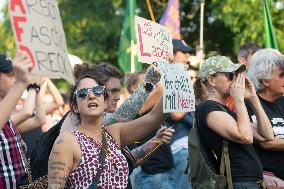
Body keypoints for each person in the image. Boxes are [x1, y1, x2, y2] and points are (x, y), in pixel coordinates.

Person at [48, 70, 167, 188]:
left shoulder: (112, 133)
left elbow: (153, 118)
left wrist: (173, 85)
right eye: (83, 93)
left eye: (98, 91)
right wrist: (150, 80)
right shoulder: (67, 140)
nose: (91, 95)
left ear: (105, 102)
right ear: (75, 107)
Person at [193, 55, 274, 189]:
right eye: (231, 75)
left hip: (250, 182)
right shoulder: (207, 108)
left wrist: (253, 98)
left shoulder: (225, 110)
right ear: (212, 79)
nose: (236, 80)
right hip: (238, 182)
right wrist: (239, 100)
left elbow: (267, 136)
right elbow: (246, 137)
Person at [246, 48, 284, 187]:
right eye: (281, 75)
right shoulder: (249, 104)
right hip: (266, 179)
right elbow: (267, 142)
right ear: (265, 79)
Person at [0, 52, 33, 188]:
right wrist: (22, 83)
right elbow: (28, 112)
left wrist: (34, 87)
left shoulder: (7, 119)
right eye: (10, 74)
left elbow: (32, 114)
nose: (15, 78)